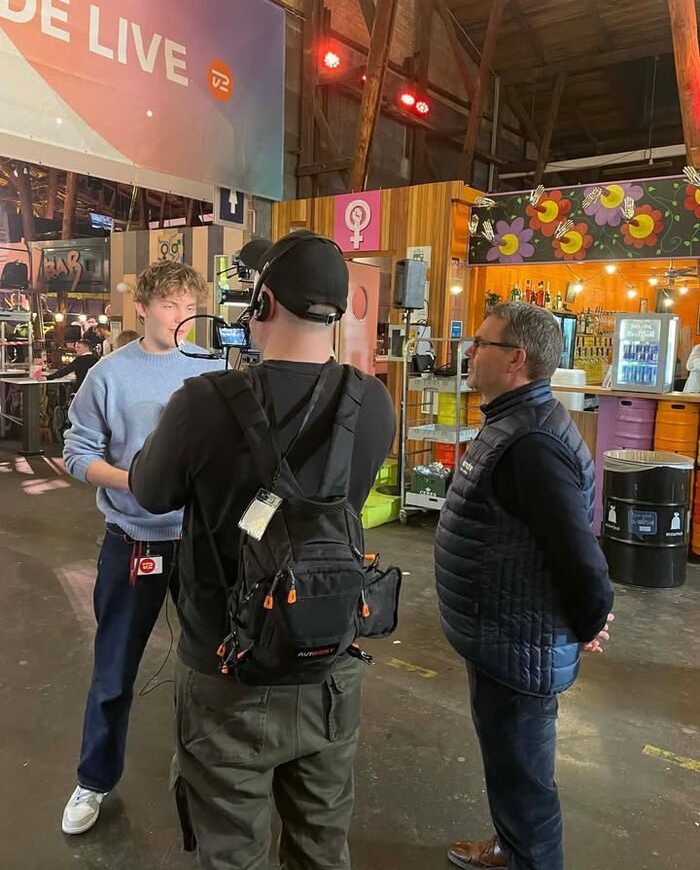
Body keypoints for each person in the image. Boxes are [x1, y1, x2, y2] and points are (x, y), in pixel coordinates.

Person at [129, 231, 395, 870]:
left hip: (228, 671)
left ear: (263, 304)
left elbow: (149, 491)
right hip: (329, 663)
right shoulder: (374, 403)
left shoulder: (201, 401)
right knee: (321, 848)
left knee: (230, 851)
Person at [434, 302, 615, 870]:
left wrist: (588, 621)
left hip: (520, 644)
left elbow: (579, 553)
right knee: (509, 768)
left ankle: (528, 856)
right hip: (501, 635)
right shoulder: (514, 422)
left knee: (525, 781)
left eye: (482, 343)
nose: (469, 352)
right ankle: (509, 848)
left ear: (516, 360)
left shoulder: (533, 443)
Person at [60, 260, 223, 836]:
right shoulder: (108, 375)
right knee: (113, 670)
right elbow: (77, 453)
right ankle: (93, 779)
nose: (180, 316)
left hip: (200, 543)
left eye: (189, 306)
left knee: (213, 668)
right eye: (170, 305)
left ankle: (210, 778)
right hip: (132, 541)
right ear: (144, 307)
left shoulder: (212, 366)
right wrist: (137, 482)